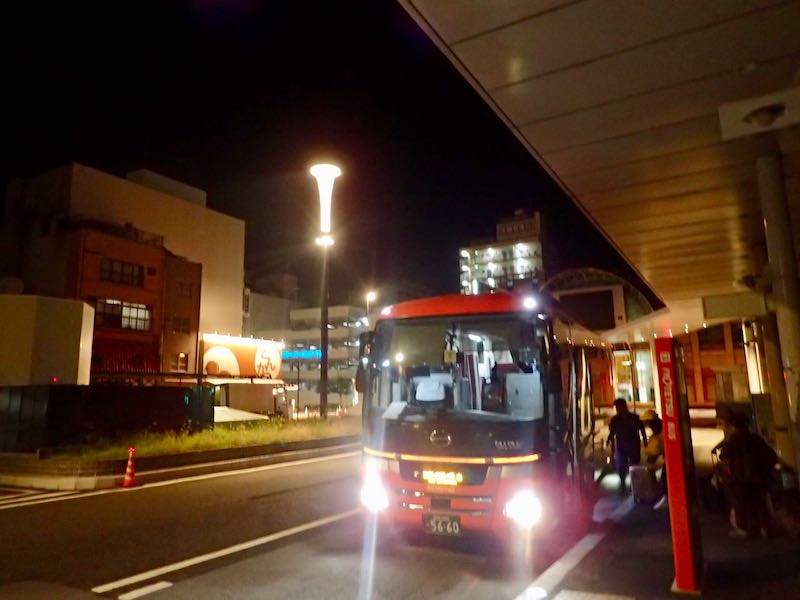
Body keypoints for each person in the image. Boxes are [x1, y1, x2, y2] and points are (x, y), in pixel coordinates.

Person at [718, 413, 778, 538]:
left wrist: (728, 473)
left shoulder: (733, 439)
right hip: (757, 477)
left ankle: (746, 529)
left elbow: (724, 457)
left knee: (741, 504)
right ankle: (764, 527)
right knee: (758, 503)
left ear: (733, 426)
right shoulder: (756, 438)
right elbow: (771, 455)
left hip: (739, 478)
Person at [607, 398, 648, 493]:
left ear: (623, 406)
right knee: (621, 465)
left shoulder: (634, 417)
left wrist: (645, 442)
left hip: (634, 444)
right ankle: (623, 484)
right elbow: (612, 433)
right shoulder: (615, 420)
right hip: (621, 445)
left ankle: (636, 485)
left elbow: (642, 430)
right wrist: (612, 446)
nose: (617, 409)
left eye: (618, 407)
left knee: (635, 465)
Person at [641, 408, 667, 509]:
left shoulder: (656, 437)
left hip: (672, 460)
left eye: (647, 423)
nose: (647, 426)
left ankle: (667, 498)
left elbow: (651, 459)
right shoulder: (663, 427)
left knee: (665, 478)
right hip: (671, 458)